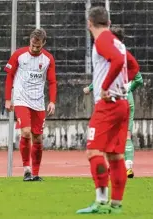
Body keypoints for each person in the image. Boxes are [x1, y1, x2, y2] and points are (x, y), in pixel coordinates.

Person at [76, 6, 139, 214]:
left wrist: (105, 87)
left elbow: (120, 62)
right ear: (109, 23)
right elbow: (133, 67)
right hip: (122, 104)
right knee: (115, 155)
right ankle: (116, 205)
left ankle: (101, 202)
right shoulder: (118, 43)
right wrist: (122, 85)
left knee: (94, 151)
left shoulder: (103, 40)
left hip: (108, 104)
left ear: (89, 24)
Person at [83, 27, 143, 179]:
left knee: (95, 148)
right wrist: (126, 86)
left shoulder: (109, 53)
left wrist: (105, 87)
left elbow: (104, 76)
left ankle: (102, 196)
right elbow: (136, 73)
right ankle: (128, 167)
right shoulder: (123, 51)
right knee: (121, 141)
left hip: (110, 101)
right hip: (124, 100)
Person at [4, 28, 57, 181]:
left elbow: (52, 81)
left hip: (38, 101)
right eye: (33, 45)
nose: (34, 48)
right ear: (30, 41)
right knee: (26, 132)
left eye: (38, 46)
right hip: (21, 99)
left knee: (38, 138)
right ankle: (26, 169)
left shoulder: (48, 59)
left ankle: (35, 173)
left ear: (43, 43)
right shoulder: (19, 55)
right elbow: (9, 76)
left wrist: (52, 101)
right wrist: (8, 99)